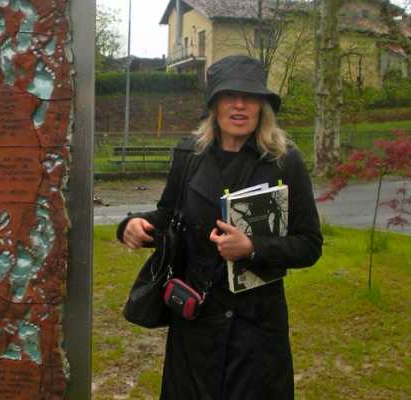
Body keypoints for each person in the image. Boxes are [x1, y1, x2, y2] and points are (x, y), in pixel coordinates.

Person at [116, 55, 323, 399]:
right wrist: (133, 224)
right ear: (214, 104)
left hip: (256, 330)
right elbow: (170, 215)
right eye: (229, 96)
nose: (239, 105)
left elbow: (309, 244)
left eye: (249, 96)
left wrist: (252, 248)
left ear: (262, 106)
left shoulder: (284, 161)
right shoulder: (190, 155)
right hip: (195, 321)